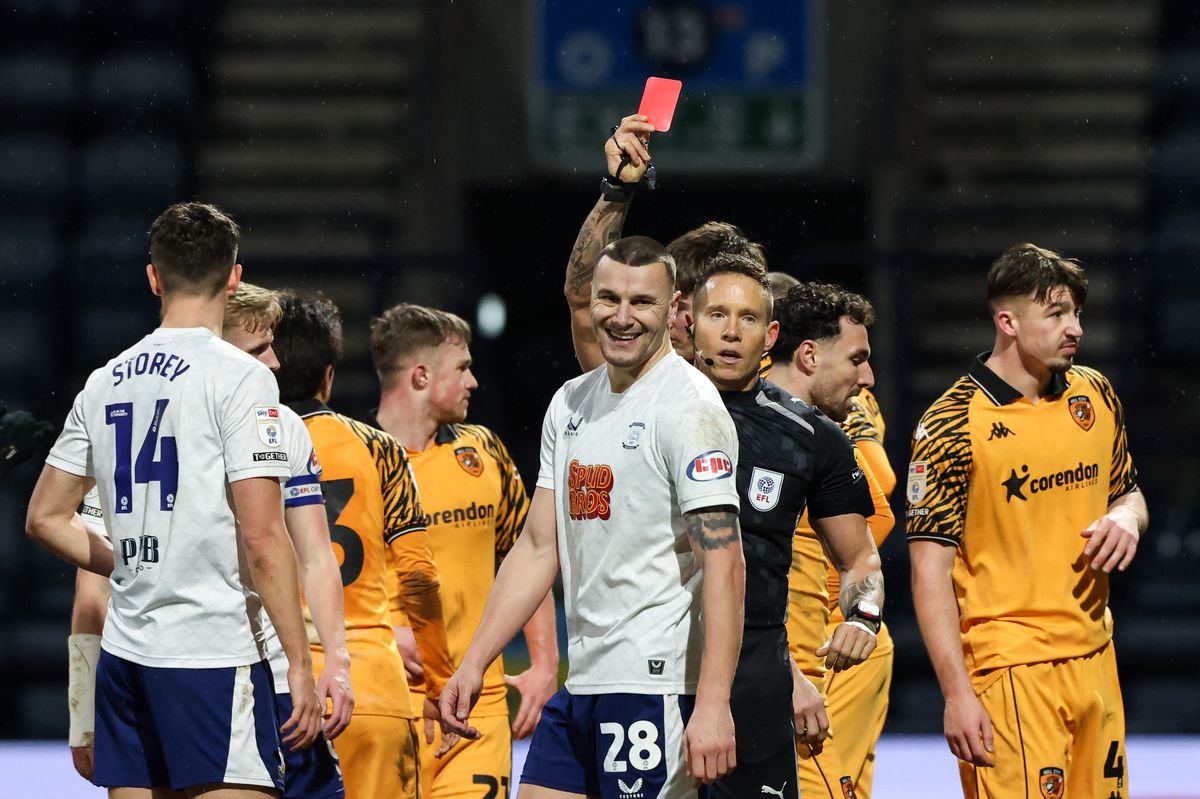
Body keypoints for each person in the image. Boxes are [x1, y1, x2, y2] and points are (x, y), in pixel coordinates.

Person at [26, 201, 322, 797]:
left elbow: (44, 519)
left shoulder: (104, 379)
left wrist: (136, 563)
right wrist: (300, 661)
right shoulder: (240, 377)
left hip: (124, 660)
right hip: (211, 655)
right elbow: (264, 539)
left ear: (154, 278)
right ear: (234, 276)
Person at [441, 236, 745, 798]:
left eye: (642, 303)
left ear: (675, 307)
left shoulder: (690, 411)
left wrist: (712, 702)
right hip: (583, 679)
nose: (622, 318)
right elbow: (538, 547)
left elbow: (724, 564)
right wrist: (474, 661)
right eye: (609, 299)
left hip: (653, 683)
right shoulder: (572, 402)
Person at [67, 282, 351, 798]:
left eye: (273, 347)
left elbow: (316, 558)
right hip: (226, 669)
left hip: (241, 671)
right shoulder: (251, 411)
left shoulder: (280, 425)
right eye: (257, 350)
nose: (274, 364)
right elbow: (91, 591)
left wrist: (336, 659)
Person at [908, 243, 1147, 799]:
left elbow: (1129, 493)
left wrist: (1127, 518)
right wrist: (957, 694)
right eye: (1057, 314)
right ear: (1007, 321)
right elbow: (928, 573)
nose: (1076, 329)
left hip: (1096, 658)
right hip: (1012, 669)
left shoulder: (1095, 393)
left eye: (1078, 314)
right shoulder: (951, 424)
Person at [682, 256, 884, 799]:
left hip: (755, 681)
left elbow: (861, 558)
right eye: (716, 315)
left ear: (771, 335)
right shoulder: (644, 411)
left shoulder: (812, 437)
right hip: (655, 671)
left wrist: (863, 617)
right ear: (688, 323)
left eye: (746, 319)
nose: (729, 332)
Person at [370, 303, 560, 798]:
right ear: (420, 376)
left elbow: (529, 552)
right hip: (388, 704)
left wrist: (544, 662)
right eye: (462, 368)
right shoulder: (356, 460)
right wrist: (381, 634)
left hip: (479, 704)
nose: (474, 381)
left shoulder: (485, 450)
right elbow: (317, 576)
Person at [273, 292, 455, 799]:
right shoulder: (381, 450)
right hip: (371, 688)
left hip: (280, 692)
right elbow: (419, 575)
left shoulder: (244, 451)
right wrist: (439, 680)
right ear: (329, 374)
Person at [766, 282, 897, 799]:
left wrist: (860, 615)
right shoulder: (717, 420)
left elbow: (867, 542)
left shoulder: (827, 438)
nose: (868, 378)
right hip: (765, 672)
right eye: (858, 360)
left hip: (815, 663)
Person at [564, 114, 765, 369]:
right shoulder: (631, 380)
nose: (672, 319)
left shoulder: (775, 397)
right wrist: (619, 187)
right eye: (670, 304)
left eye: (684, 308)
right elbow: (583, 296)